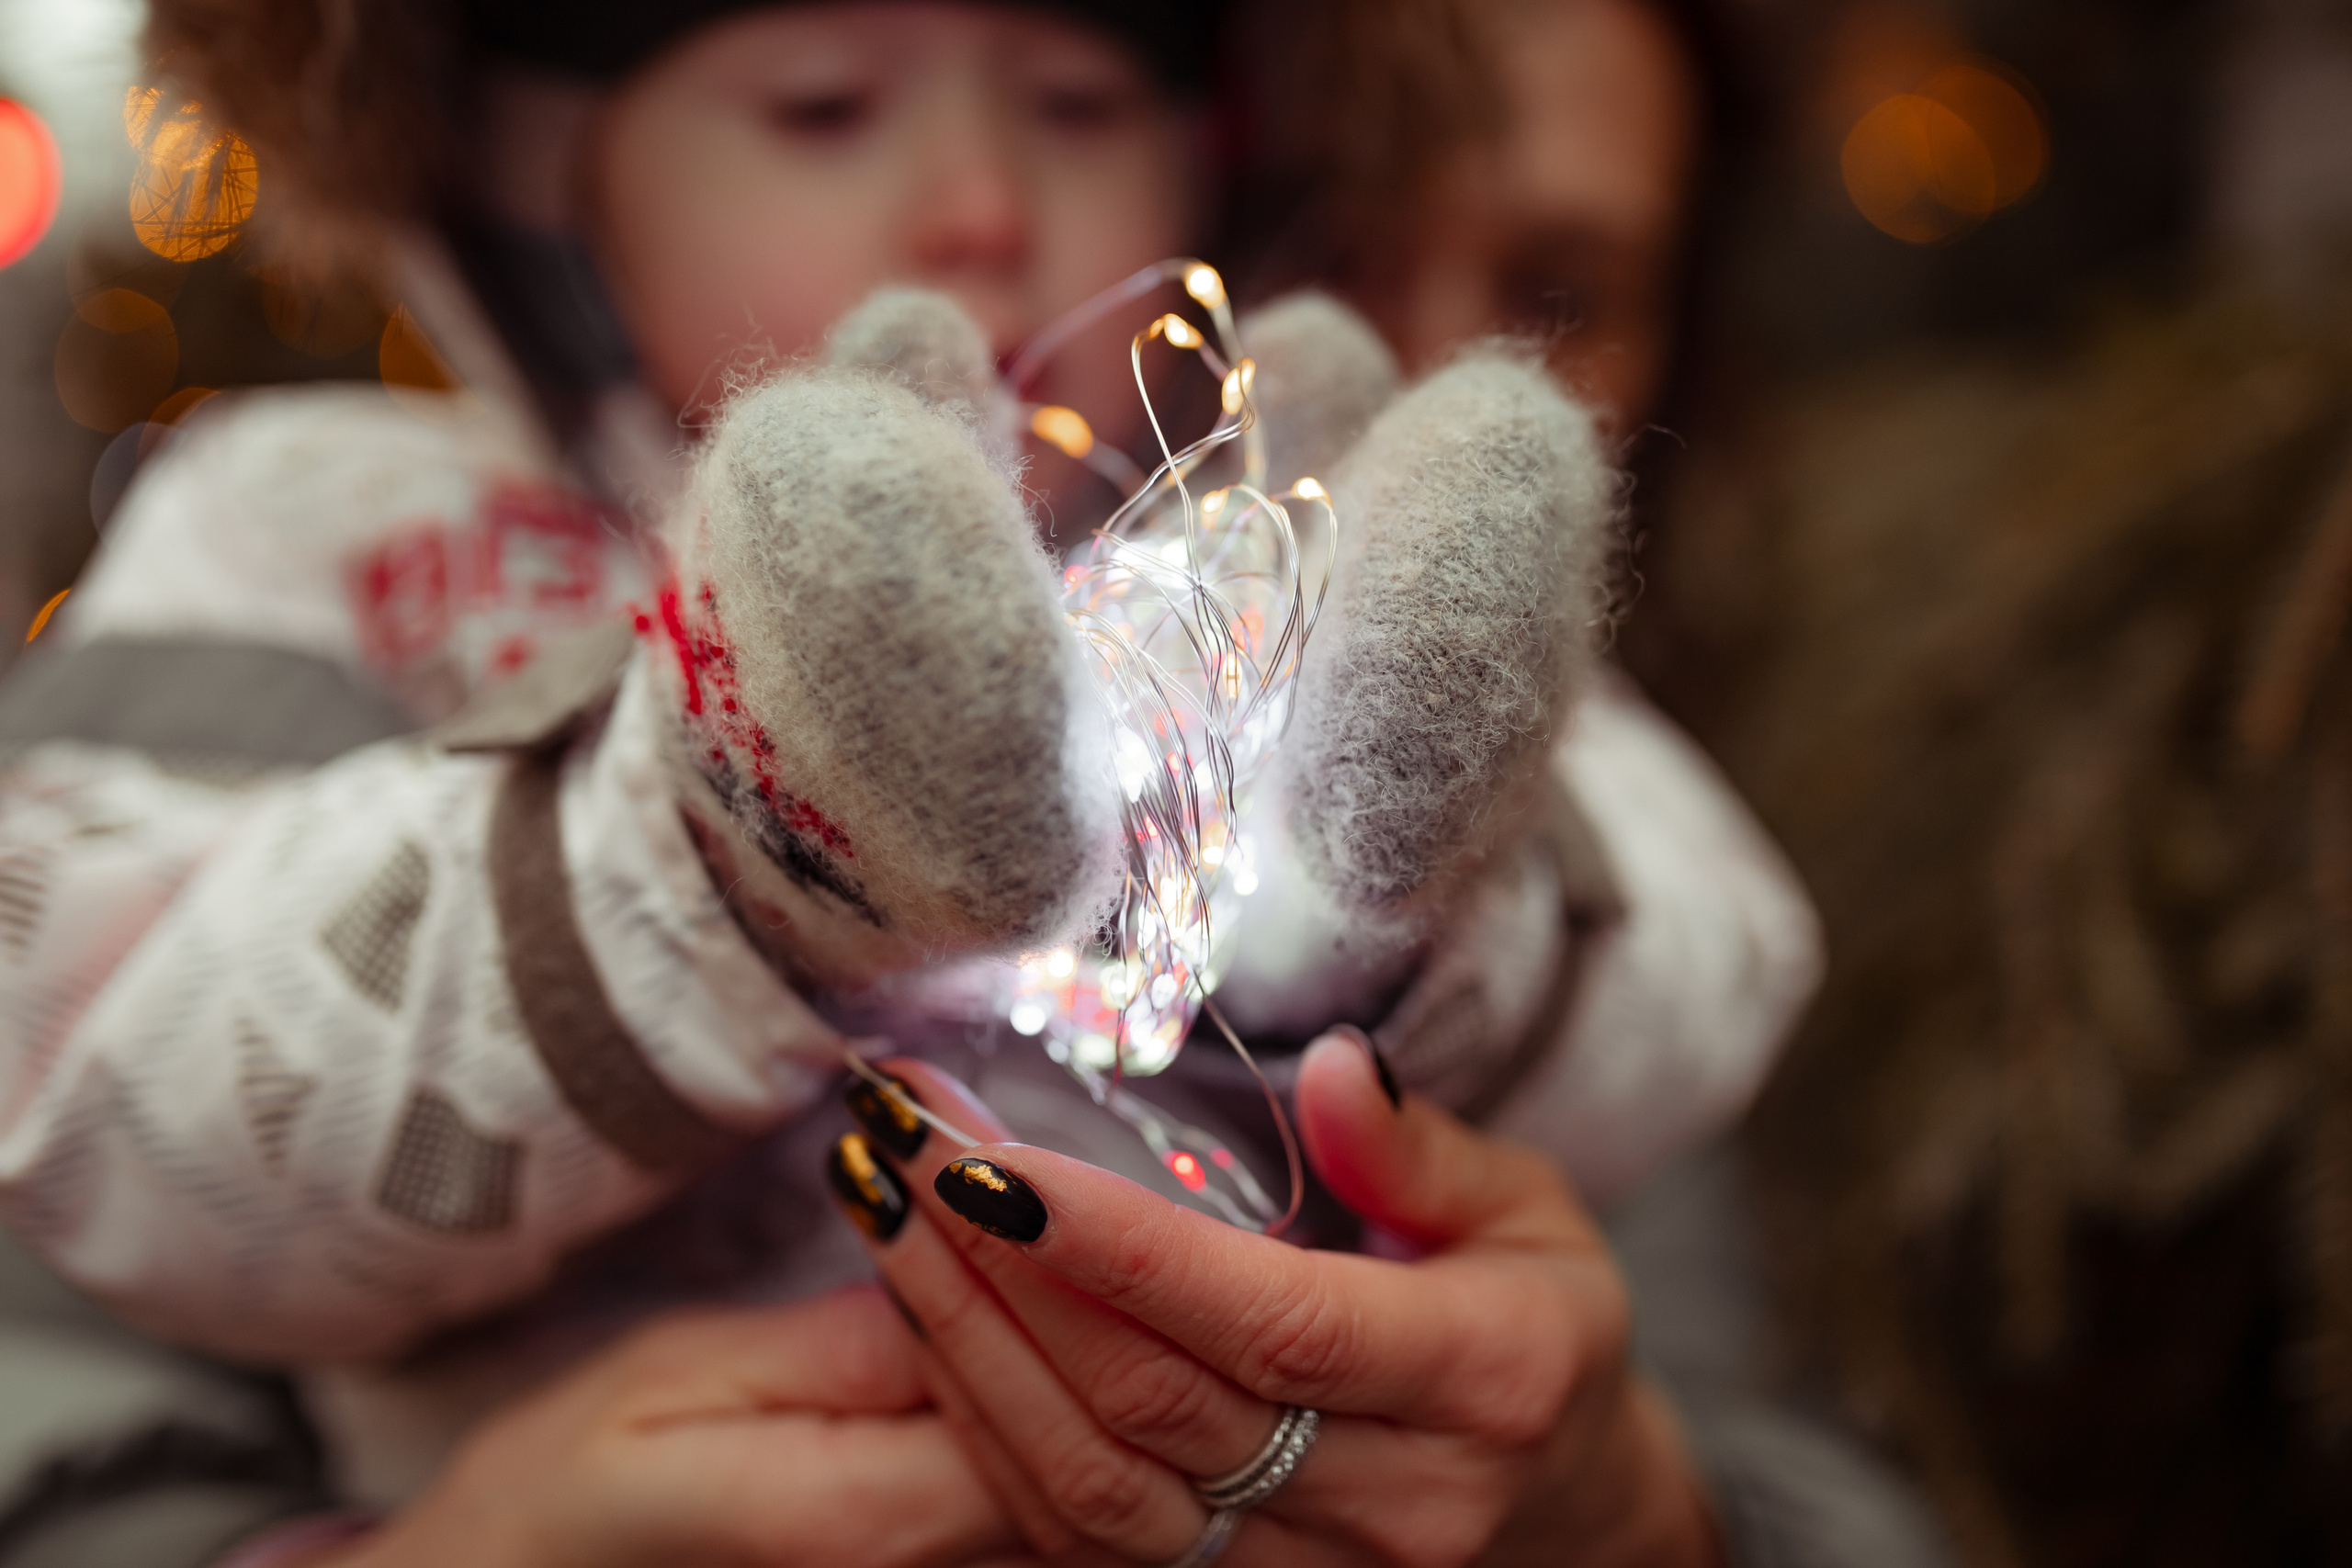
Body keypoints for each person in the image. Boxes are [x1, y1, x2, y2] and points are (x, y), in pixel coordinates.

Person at [0, 2, 1882, 1564]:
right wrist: (747, 831)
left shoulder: (1245, 546)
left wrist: (1363, 869)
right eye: (820, 107)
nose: (981, 205)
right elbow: (81, 1068)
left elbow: (1715, 949)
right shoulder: (326, 533)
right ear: (538, 179)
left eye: (1076, 103)